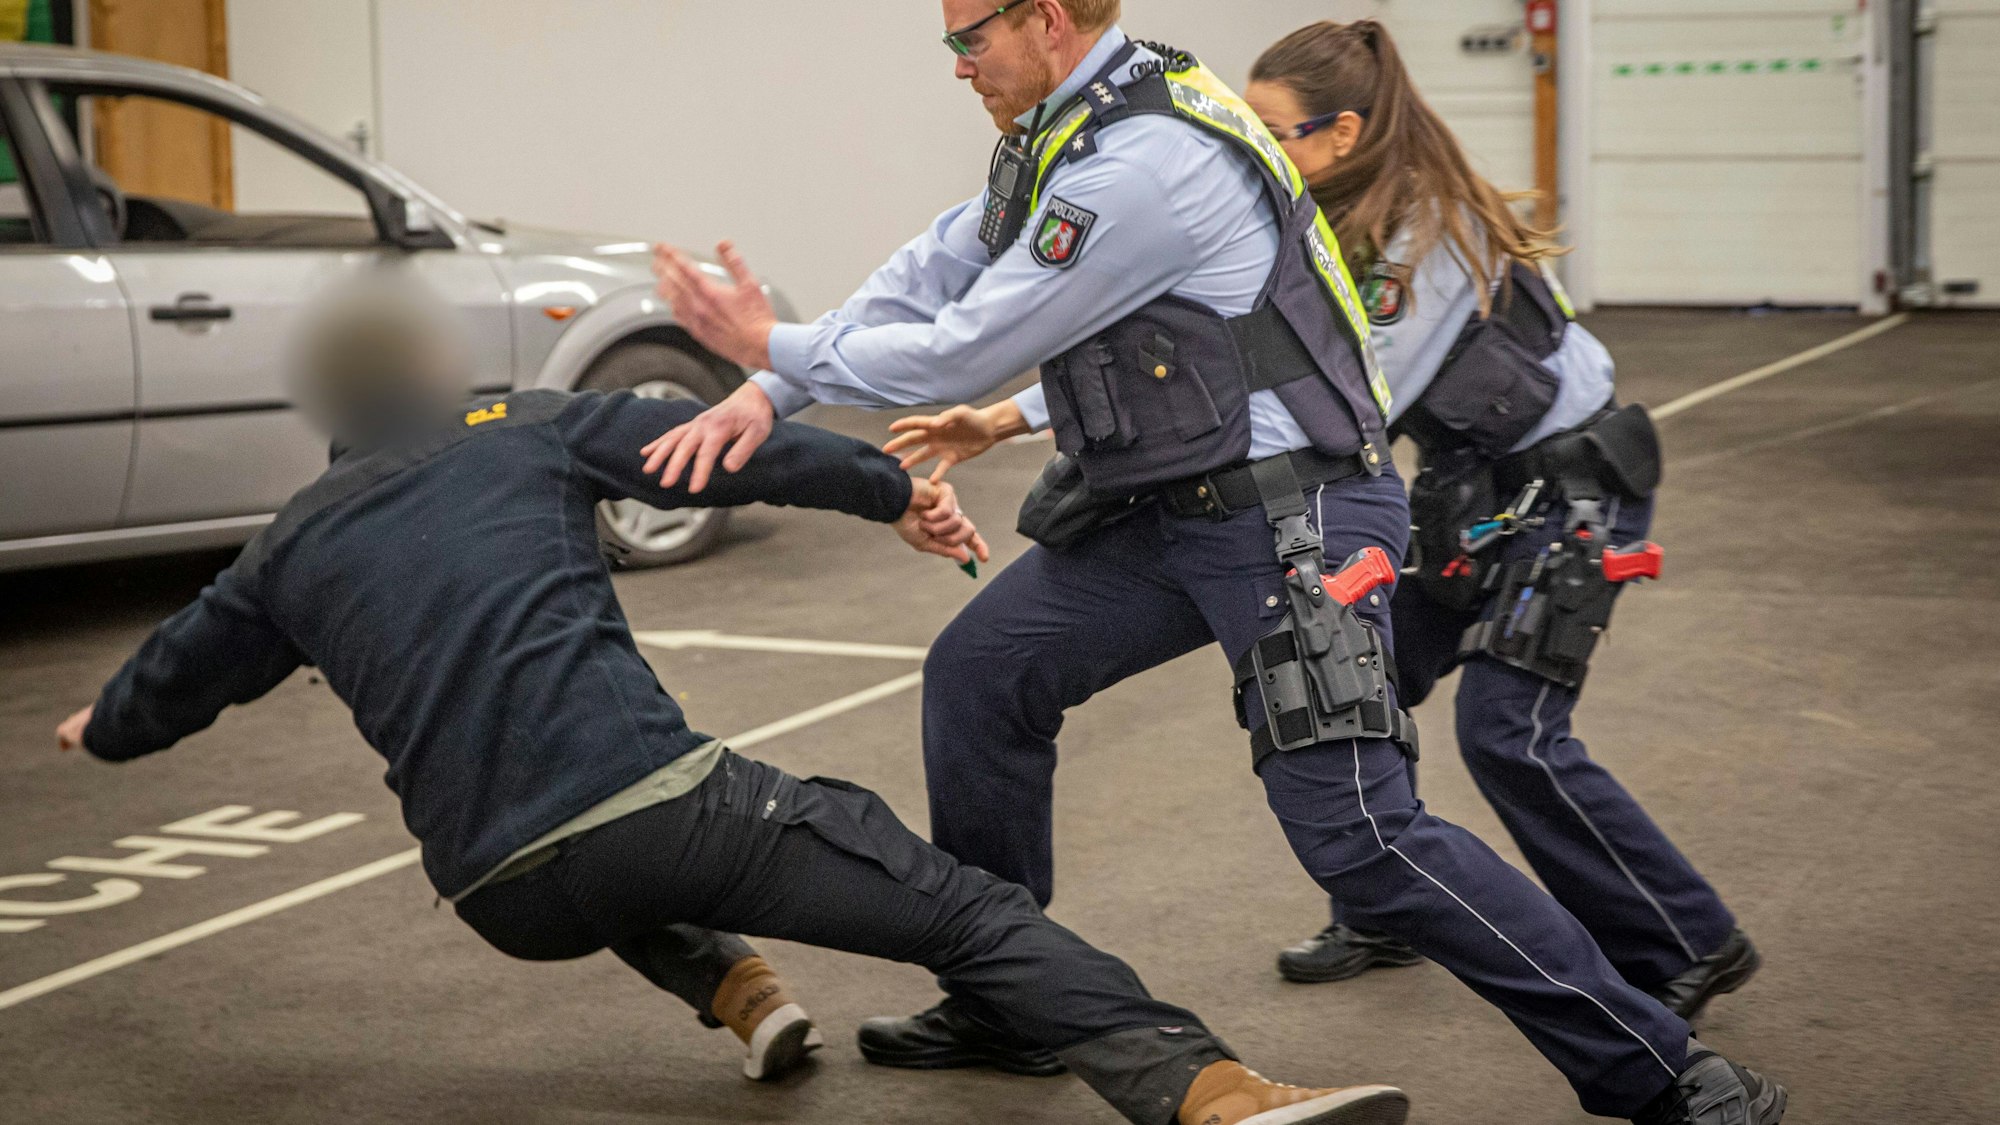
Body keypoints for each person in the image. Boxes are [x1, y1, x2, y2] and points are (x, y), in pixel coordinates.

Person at [644, 3, 1782, 1122]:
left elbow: (972, 341)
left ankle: (1666, 1073)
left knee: (1360, 837)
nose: (954, 64)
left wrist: (770, 344)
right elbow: (933, 267)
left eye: (967, 36)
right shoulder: (1067, 135)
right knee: (981, 675)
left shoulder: (1141, 162)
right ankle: (1009, 1002)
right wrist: (767, 384)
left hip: (1296, 522)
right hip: (1170, 513)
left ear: (1045, 19)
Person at [52, 281, 1413, 1125]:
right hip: (652, 810)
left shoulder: (287, 540)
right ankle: (1208, 1092)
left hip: (496, 893)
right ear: (430, 384)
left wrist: (101, 726)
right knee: (962, 904)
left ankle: (738, 987)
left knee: (586, 855)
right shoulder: (516, 427)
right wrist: (894, 493)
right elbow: (717, 456)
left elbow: (178, 673)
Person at [1231, 21, 1762, 1022]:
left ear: (1339, 133)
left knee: (1506, 732)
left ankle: (1685, 939)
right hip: (1474, 492)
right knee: (1364, 681)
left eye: (1271, 131)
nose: (1255, 149)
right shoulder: (1332, 216)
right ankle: (1384, 905)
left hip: (1572, 495)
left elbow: (1349, 402)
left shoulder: (1423, 236)